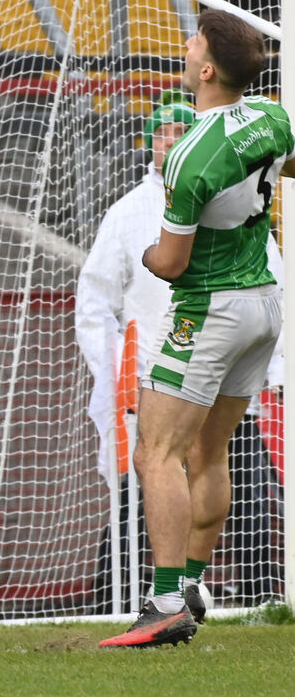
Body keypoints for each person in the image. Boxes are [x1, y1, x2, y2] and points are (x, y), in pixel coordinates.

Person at [100, 9, 295, 649]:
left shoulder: (186, 156)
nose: (185, 47)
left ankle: (162, 603)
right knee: (208, 453)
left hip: (209, 308)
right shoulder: (270, 115)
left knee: (155, 452)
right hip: (266, 304)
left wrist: (153, 256)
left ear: (206, 68)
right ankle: (191, 586)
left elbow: (172, 262)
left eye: (194, 42)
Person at [76, 98, 283, 614]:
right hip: (161, 365)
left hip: (203, 332)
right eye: (164, 131)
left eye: (182, 130)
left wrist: (276, 370)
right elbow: (95, 302)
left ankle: (187, 597)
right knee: (143, 489)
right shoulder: (126, 212)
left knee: (193, 469)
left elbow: (172, 264)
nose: (173, 139)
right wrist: (111, 377)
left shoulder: (205, 180)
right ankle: (131, 594)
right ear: (149, 142)